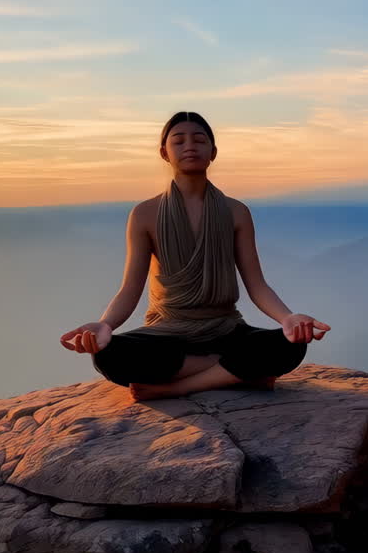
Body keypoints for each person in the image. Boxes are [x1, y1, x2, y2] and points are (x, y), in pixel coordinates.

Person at [59, 111, 331, 402]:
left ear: (212, 152)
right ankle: (236, 374)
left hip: (226, 328)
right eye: (179, 141)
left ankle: (179, 386)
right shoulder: (145, 214)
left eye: (199, 140)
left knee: (290, 345)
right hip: (169, 332)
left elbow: (257, 285)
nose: (190, 146)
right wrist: (106, 325)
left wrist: (287, 318)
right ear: (165, 153)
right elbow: (130, 289)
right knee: (109, 356)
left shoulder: (235, 212)